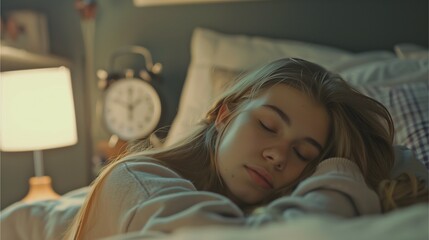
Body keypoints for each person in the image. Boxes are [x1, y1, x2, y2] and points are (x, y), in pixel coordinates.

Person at [64, 58, 428, 239]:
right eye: (267, 126)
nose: (279, 156)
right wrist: (340, 175)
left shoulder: (270, 206)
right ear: (225, 114)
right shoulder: (138, 179)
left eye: (304, 153)